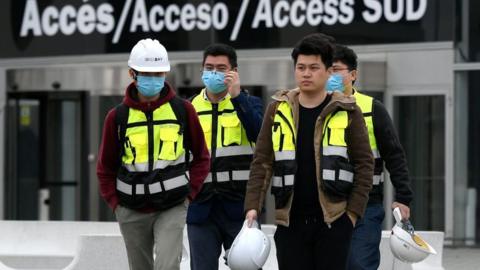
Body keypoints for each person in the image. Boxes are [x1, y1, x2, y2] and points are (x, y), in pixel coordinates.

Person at [244, 33, 374, 270]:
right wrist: (253, 206)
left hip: (334, 222)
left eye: (314, 67)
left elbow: (365, 165)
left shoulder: (347, 111)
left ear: (327, 71)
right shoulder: (277, 110)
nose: (306, 73)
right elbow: (262, 163)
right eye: (301, 67)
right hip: (289, 222)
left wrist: (352, 215)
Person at [96, 38, 210, 270]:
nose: (154, 79)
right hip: (130, 209)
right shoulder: (117, 117)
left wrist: (188, 197)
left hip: (173, 205)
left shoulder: (182, 110)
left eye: (159, 74)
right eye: (147, 74)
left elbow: (201, 157)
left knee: (167, 266)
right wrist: (116, 204)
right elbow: (105, 168)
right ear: (132, 74)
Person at [328, 44, 413, 270]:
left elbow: (394, 155)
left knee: (358, 264)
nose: (331, 76)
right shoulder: (316, 109)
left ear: (353, 74)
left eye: (336, 70)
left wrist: (403, 197)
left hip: (367, 204)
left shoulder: (372, 108)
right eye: (327, 70)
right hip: (326, 204)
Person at [186, 43, 263, 270]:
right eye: (209, 67)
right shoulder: (188, 108)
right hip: (201, 209)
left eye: (221, 68)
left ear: (234, 72)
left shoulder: (250, 104)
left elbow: (261, 136)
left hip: (240, 209)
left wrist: (238, 97)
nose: (214, 73)